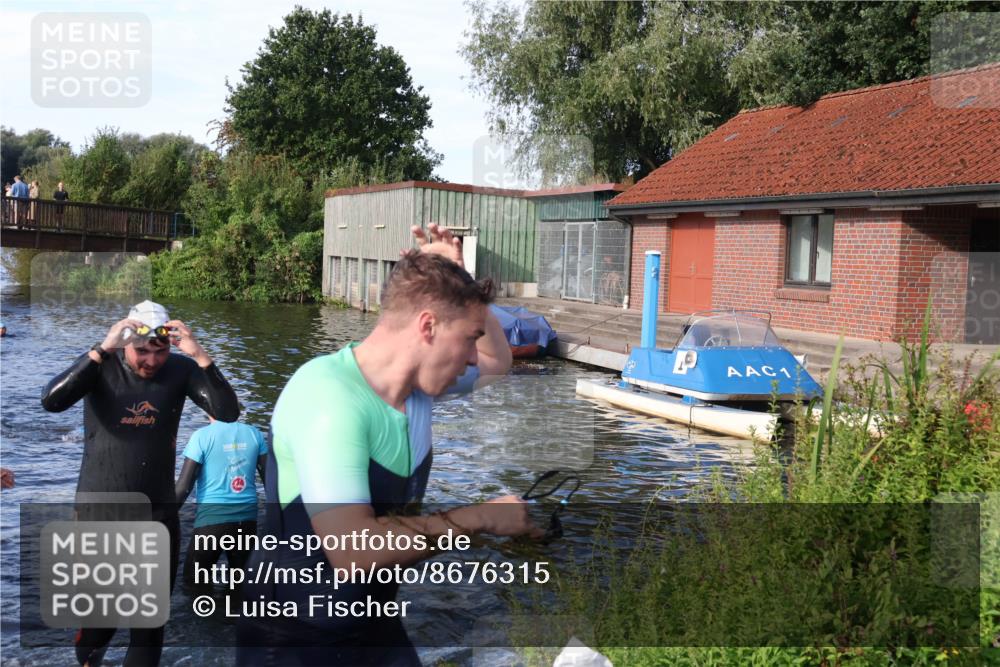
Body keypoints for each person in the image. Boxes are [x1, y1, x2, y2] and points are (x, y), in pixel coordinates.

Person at [237, 224, 536, 666]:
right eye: (469, 339)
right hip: (294, 635)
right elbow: (352, 550)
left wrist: (462, 279)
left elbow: (498, 361)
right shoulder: (328, 398)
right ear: (428, 326)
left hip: (371, 620)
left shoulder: (417, 391)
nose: (474, 356)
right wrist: (483, 516)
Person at [40, 300, 240, 667]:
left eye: (160, 351)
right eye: (142, 351)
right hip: (100, 515)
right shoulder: (101, 367)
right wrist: (102, 348)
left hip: (156, 514)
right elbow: (52, 401)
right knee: (100, 624)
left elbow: (227, 413)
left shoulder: (181, 369)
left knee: (149, 626)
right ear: (125, 343)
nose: (151, 360)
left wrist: (200, 355)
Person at [175, 415, 268, 590]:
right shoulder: (254, 434)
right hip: (247, 522)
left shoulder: (202, 436)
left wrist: (160, 518)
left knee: (193, 586)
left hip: (211, 524)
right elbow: (271, 483)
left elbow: (183, 488)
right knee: (241, 586)